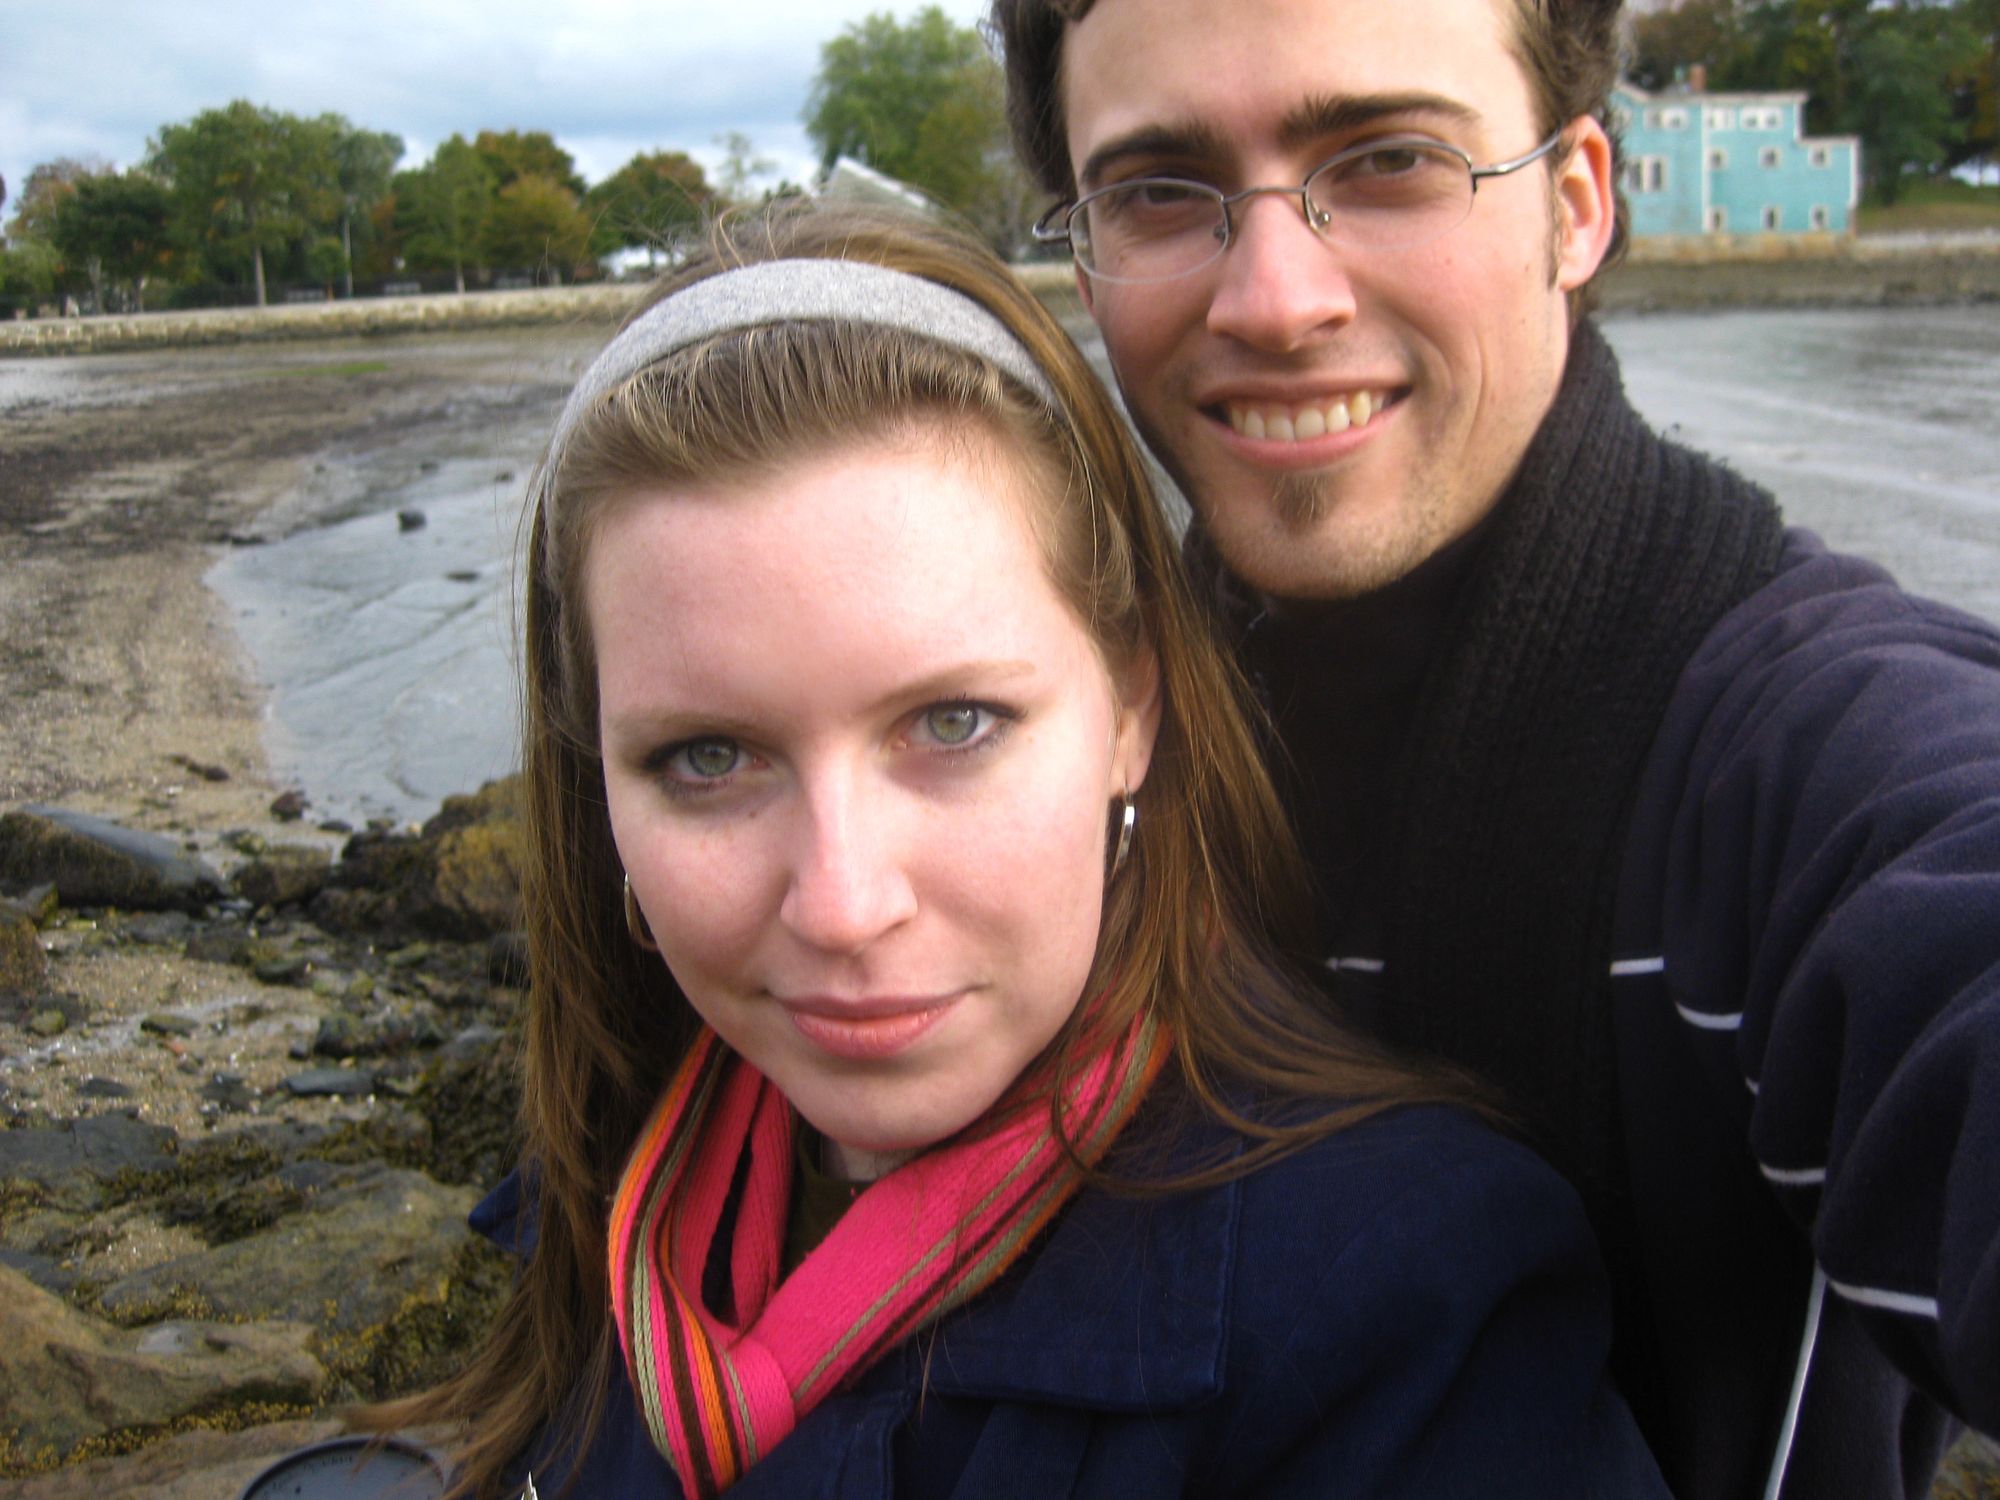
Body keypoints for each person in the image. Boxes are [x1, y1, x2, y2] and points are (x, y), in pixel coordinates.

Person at [354, 203, 1671, 1499]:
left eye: (953, 723)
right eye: (708, 758)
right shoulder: (615, 1178)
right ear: (598, 783)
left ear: (1132, 708)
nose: (844, 904)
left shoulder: (1401, 1313)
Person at [985, 1, 2000, 1497]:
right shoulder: (1030, 760)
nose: (1274, 296)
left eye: (1389, 158)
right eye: (1158, 191)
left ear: (1579, 203)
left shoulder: (1791, 759)